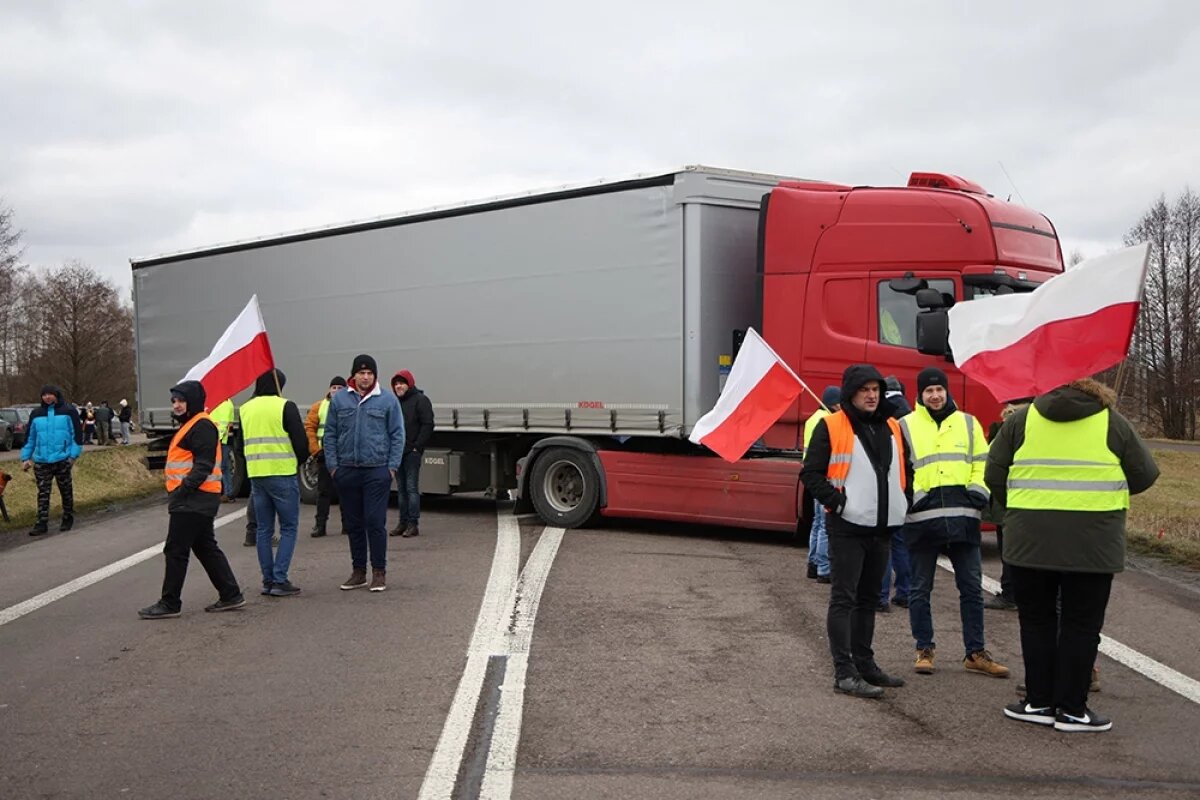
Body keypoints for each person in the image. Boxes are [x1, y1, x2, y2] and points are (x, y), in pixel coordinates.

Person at [987, 378, 1158, 732]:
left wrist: (1021, 509)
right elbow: (1144, 475)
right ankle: (1072, 709)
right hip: (1093, 543)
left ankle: (1038, 702)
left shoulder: (1022, 420)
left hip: (1029, 540)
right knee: (1081, 625)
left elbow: (994, 474)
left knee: (1036, 622)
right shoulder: (1111, 421)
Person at [801, 364, 912, 699]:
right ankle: (844, 672)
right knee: (844, 598)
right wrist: (839, 503)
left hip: (881, 526)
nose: (871, 395)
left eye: (875, 389)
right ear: (851, 393)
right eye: (864, 389)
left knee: (868, 599)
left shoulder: (892, 425)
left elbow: (904, 469)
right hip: (847, 527)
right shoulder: (831, 424)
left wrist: (903, 501)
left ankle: (865, 664)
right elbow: (811, 474)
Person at [900, 367, 1009, 679]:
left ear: (947, 391)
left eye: (939, 390)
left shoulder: (968, 423)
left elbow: (982, 463)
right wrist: (915, 498)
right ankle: (924, 649)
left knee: (971, 588)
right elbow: (901, 470)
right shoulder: (905, 425)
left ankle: (975, 652)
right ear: (920, 394)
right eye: (929, 391)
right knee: (920, 589)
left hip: (963, 518)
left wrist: (977, 494)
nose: (935, 396)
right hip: (923, 519)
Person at [138, 381, 245, 619]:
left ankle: (170, 603)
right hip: (196, 498)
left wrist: (182, 490)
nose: (176, 405)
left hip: (193, 498)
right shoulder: (192, 424)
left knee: (176, 550)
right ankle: (230, 594)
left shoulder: (201, 426)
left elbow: (203, 465)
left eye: (181, 401)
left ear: (193, 401)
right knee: (205, 547)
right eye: (174, 401)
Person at [325, 354, 405, 593]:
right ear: (354, 375)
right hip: (347, 470)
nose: (366, 377)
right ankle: (358, 571)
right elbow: (330, 434)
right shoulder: (340, 400)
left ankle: (379, 572)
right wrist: (333, 467)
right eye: (361, 373)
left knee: (375, 521)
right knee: (354, 523)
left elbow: (397, 434)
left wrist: (391, 467)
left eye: (370, 373)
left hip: (377, 470)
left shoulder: (387, 400)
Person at [240, 369, 309, 597]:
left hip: (256, 475)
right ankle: (280, 578)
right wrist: (298, 461)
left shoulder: (246, 409)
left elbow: (240, 444)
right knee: (288, 527)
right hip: (282, 473)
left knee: (264, 529)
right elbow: (301, 443)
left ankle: (268, 580)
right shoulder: (285, 406)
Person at [983, 400, 1029, 611]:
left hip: (1008, 502)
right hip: (1026, 501)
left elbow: (993, 470)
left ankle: (1010, 595)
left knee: (1009, 552)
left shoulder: (1005, 431)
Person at [21, 385, 83, 535]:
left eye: (50, 394)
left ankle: (67, 517)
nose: (47, 397)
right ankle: (41, 523)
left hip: (62, 459)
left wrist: (73, 456)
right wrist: (25, 457)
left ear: (56, 395)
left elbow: (77, 436)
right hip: (42, 460)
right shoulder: (36, 414)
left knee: (65, 490)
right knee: (43, 492)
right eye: (44, 395)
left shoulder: (69, 411)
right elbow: (30, 438)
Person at [878, 375, 913, 613]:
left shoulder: (882, 416)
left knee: (883, 545)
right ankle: (905, 592)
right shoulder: (911, 415)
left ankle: (881, 596)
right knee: (901, 545)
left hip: (884, 490)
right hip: (904, 490)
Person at [803, 385, 841, 584]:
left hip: (813, 476)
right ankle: (824, 570)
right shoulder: (828, 421)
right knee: (826, 525)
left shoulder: (812, 419)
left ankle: (813, 563)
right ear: (833, 404)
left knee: (817, 523)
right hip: (825, 476)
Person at [390, 370, 434, 537]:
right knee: (400, 490)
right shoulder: (395, 403)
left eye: (401, 383)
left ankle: (413, 524)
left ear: (409, 384)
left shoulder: (421, 400)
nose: (398, 386)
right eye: (396, 384)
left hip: (411, 453)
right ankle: (402, 522)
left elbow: (427, 424)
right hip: (397, 452)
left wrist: (417, 447)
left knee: (411, 488)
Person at [305, 376, 347, 537]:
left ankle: (347, 525)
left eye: (340, 388)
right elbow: (310, 428)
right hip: (324, 455)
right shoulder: (319, 406)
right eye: (334, 387)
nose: (336, 390)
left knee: (345, 492)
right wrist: (316, 450)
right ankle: (320, 525)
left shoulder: (350, 405)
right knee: (323, 492)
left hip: (344, 456)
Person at [210, 398, 237, 502]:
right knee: (223, 467)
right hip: (221, 439)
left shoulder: (224, 404)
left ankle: (228, 494)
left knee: (223, 467)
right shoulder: (225, 403)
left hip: (220, 440)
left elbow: (224, 424)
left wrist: (217, 438)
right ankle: (227, 493)